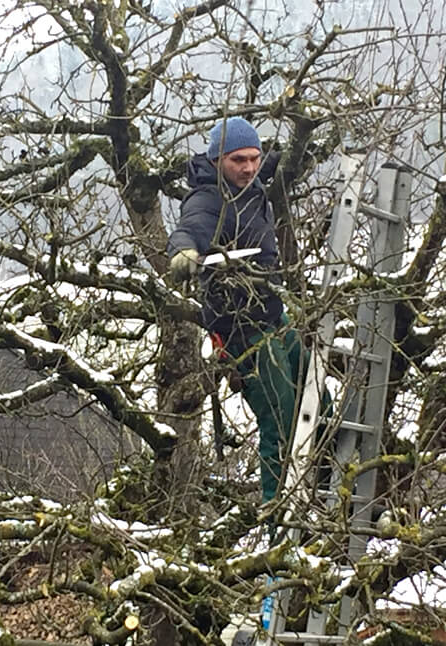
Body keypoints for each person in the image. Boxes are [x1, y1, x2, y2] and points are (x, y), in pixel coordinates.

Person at [167, 116, 328, 505]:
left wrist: (308, 138)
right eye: (238, 159)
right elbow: (190, 227)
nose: (249, 167)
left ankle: (324, 495)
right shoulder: (209, 199)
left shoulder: (251, 183)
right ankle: (279, 526)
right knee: (281, 421)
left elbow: (275, 162)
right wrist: (183, 252)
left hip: (275, 317)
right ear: (217, 159)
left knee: (319, 398)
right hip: (244, 333)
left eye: (254, 159)